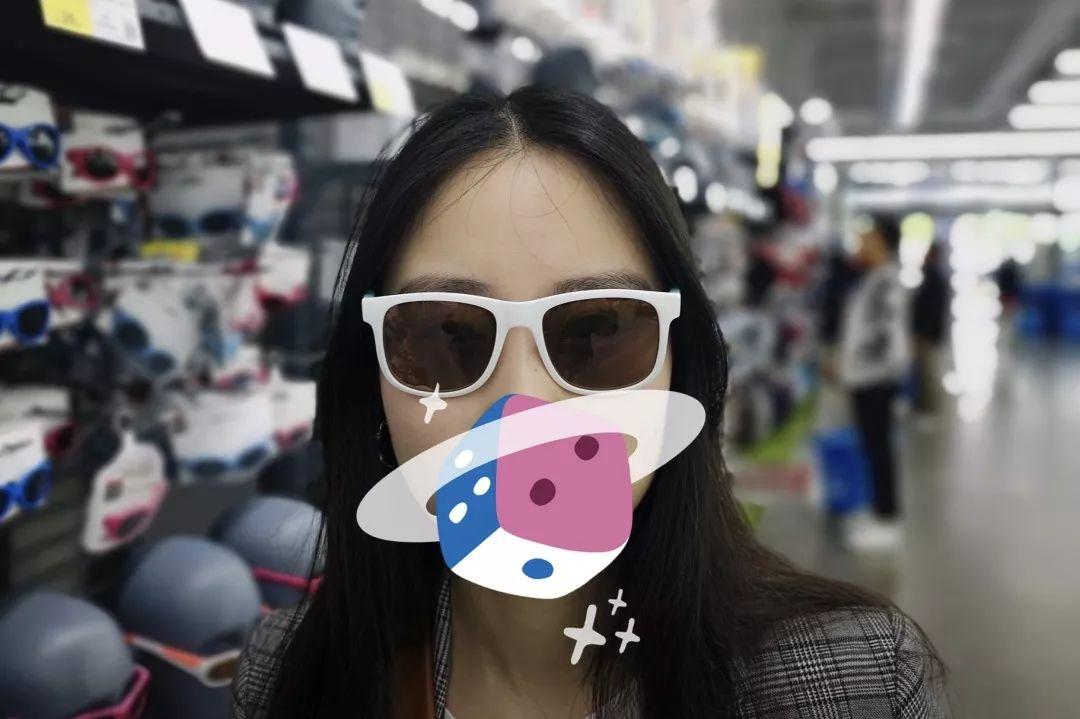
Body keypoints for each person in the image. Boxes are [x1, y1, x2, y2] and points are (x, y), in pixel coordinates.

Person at [232, 88, 944, 718]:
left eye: (597, 331)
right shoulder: (286, 676)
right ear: (373, 378)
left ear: (679, 367)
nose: (524, 404)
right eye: (447, 334)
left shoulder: (857, 683)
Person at [838, 215, 911, 552]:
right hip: (864, 377)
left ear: (881, 241)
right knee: (872, 446)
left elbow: (882, 336)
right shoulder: (873, 278)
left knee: (880, 448)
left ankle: (887, 519)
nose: (860, 243)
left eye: (866, 237)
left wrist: (856, 364)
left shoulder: (885, 282)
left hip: (876, 379)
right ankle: (878, 510)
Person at [911, 243, 949, 419]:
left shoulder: (934, 279)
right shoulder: (930, 277)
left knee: (928, 374)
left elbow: (932, 311)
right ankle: (924, 406)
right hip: (927, 334)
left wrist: (924, 334)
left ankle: (931, 410)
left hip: (928, 336)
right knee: (923, 373)